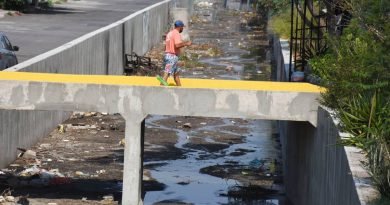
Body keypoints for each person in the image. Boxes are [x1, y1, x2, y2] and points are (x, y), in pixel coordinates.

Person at [161, 20, 192, 86]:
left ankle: (180, 89)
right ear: (180, 27)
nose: (182, 29)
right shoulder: (176, 33)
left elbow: (166, 45)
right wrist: (186, 43)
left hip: (169, 56)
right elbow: (177, 45)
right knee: (167, 73)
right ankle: (160, 89)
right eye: (182, 27)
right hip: (172, 57)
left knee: (176, 74)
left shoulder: (170, 33)